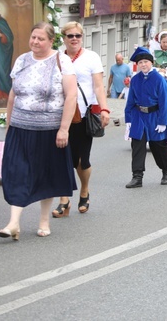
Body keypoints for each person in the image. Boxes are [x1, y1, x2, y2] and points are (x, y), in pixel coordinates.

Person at [0, 22, 78, 240]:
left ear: (51, 41)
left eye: (40, 38)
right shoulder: (22, 60)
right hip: (20, 128)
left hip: (49, 130)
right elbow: (13, 95)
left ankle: (44, 220)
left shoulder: (62, 62)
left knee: (45, 175)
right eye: (33, 37)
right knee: (16, 173)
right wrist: (9, 125)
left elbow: (71, 96)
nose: (35, 42)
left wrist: (64, 129)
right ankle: (14, 222)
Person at [52, 22, 110, 218]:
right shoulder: (56, 58)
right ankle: (64, 200)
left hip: (83, 115)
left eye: (77, 35)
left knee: (80, 161)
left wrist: (104, 108)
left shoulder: (91, 57)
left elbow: (98, 86)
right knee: (60, 159)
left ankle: (84, 189)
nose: (74, 38)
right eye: (70, 36)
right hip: (59, 115)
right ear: (63, 38)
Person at [124, 47, 167, 188]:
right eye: (140, 63)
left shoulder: (159, 79)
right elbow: (130, 101)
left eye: (146, 61)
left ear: (151, 63)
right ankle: (137, 176)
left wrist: (162, 121)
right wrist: (128, 119)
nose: (143, 65)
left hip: (155, 116)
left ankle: (166, 170)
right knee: (137, 145)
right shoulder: (135, 80)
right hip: (139, 116)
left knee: (158, 146)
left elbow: (165, 101)